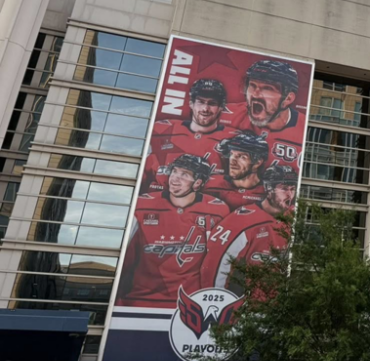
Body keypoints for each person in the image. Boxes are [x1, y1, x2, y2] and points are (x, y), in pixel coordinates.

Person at [116, 154, 229, 307]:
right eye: (174, 171)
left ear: (198, 183)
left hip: (191, 303)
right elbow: (125, 259)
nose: (175, 178)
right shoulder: (142, 204)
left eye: (184, 175)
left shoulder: (218, 209)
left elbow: (220, 260)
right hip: (141, 299)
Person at [200, 164, 298, 293]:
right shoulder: (240, 220)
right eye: (284, 189)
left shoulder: (294, 217)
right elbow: (215, 265)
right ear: (268, 188)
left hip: (282, 306)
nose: (290, 195)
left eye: (293, 189)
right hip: (247, 307)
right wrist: (217, 302)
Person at [142, 78, 235, 192]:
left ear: (221, 107)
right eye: (200, 102)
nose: (205, 109)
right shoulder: (163, 129)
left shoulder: (233, 138)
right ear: (191, 103)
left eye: (212, 103)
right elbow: (143, 172)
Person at [232, 61, 305, 169]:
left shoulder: (303, 129)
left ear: (288, 99)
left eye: (267, 88)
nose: (255, 94)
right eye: (252, 85)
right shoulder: (227, 114)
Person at [203, 131, 270, 211]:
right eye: (232, 154)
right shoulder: (208, 183)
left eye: (242, 157)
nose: (232, 161)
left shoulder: (269, 193)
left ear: (257, 162)